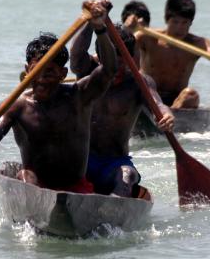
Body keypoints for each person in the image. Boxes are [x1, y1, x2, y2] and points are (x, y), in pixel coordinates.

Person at [0, 0, 116, 193]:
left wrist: (100, 30)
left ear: (63, 74)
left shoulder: (78, 96)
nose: (42, 79)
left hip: (75, 186)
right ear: (27, 71)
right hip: (35, 186)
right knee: (26, 175)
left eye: (50, 72)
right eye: (36, 71)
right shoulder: (17, 106)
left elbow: (109, 70)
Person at [70, 18, 174, 197]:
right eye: (112, 65)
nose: (117, 71)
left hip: (115, 162)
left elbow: (158, 105)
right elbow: (76, 54)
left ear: (131, 58)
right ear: (100, 57)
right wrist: (90, 20)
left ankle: (113, 212)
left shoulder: (139, 83)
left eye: (123, 63)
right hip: (81, 159)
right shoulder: (87, 71)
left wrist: (166, 116)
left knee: (128, 175)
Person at [134, 0, 210, 109]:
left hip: (176, 101)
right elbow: (121, 46)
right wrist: (130, 28)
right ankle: (163, 117)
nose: (179, 28)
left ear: (191, 23)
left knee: (191, 95)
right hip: (149, 95)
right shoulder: (148, 37)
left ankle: (168, 118)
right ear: (167, 19)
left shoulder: (197, 44)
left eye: (184, 23)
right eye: (175, 22)